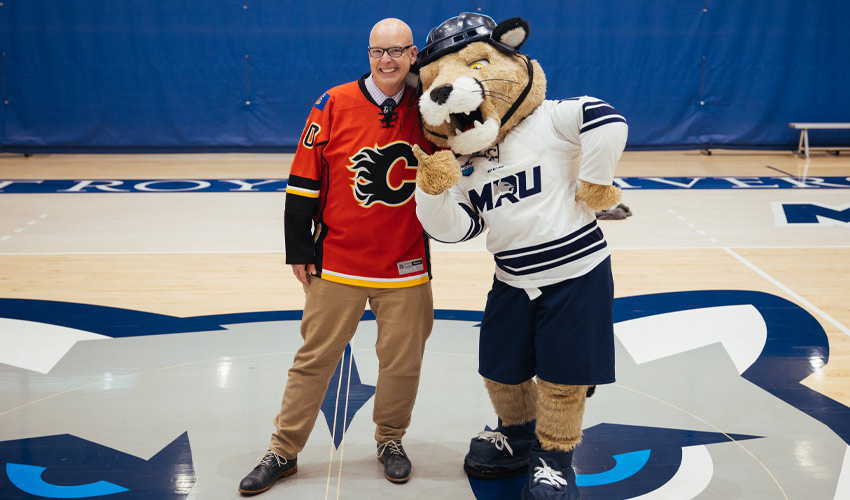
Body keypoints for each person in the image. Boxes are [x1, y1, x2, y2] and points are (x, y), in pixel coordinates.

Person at [238, 18, 434, 496]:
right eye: (376, 52)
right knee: (314, 361)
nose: (386, 61)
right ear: (368, 55)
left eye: (396, 52)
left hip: (406, 264)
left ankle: (390, 440)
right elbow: (303, 180)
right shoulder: (333, 102)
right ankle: (283, 451)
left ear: (413, 54)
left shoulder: (431, 107)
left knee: (403, 364)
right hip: (338, 260)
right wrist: (298, 248)